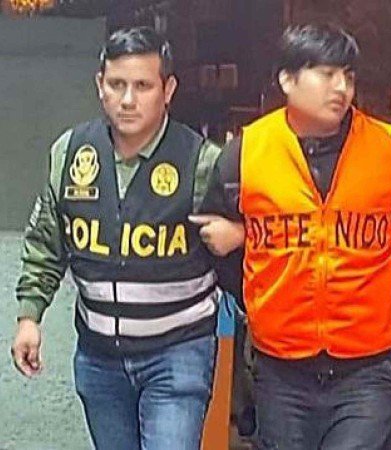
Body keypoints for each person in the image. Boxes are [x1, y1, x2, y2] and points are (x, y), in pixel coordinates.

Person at [10, 26, 243, 450]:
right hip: (99, 358)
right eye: (117, 85)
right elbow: (46, 242)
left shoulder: (203, 162)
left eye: (143, 86)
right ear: (100, 85)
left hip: (178, 353)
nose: (128, 99)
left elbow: (264, 233)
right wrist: (30, 317)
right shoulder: (71, 152)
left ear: (168, 90)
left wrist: (240, 232)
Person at [193, 23, 391, 449]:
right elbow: (215, 244)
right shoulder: (247, 151)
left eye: (348, 76)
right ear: (287, 79)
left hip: (366, 368)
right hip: (281, 368)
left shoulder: (390, 151)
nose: (341, 88)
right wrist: (259, 290)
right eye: (327, 74)